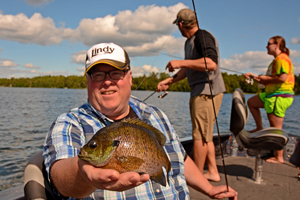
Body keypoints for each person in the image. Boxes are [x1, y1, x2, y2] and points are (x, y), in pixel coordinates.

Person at [43, 42, 237, 199]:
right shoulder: (69, 123)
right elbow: (60, 178)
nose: (107, 81)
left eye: (116, 73)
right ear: (88, 81)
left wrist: (209, 190)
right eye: (98, 74)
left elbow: (180, 158)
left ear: (130, 77)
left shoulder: (156, 115)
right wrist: (84, 174)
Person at [157, 8, 226, 182]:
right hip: (199, 91)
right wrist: (169, 81)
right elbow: (188, 69)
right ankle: (212, 172)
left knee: (199, 136)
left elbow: (211, 63)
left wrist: (180, 62)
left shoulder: (203, 37)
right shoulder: (190, 41)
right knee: (205, 134)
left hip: (207, 92)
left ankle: (197, 178)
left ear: (181, 24)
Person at [244, 36, 294, 164]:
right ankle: (259, 127)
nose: (266, 46)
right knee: (251, 102)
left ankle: (279, 157)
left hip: (279, 96)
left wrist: (265, 79)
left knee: (276, 128)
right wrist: (258, 77)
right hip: (270, 94)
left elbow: (282, 78)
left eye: (268, 44)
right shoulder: (276, 60)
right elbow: (272, 79)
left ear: (277, 45)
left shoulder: (282, 58)